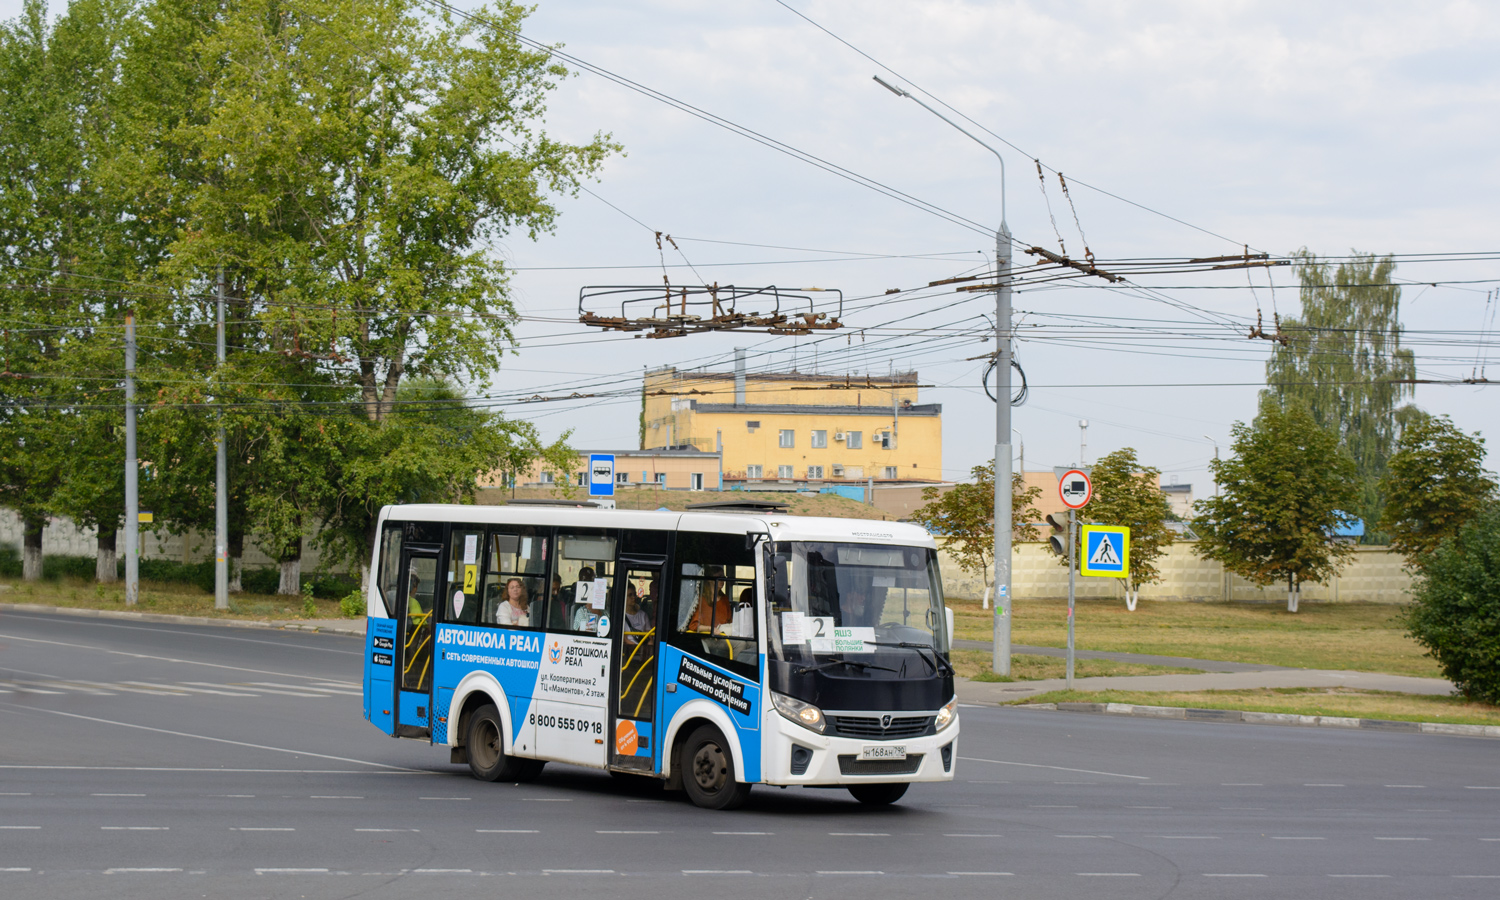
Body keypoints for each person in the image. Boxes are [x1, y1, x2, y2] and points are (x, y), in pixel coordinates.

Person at [570, 566, 599, 632]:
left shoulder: (601, 603)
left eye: (591, 580)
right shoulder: (579, 610)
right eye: (585, 580)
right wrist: (584, 627)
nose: (589, 584)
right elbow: (576, 629)